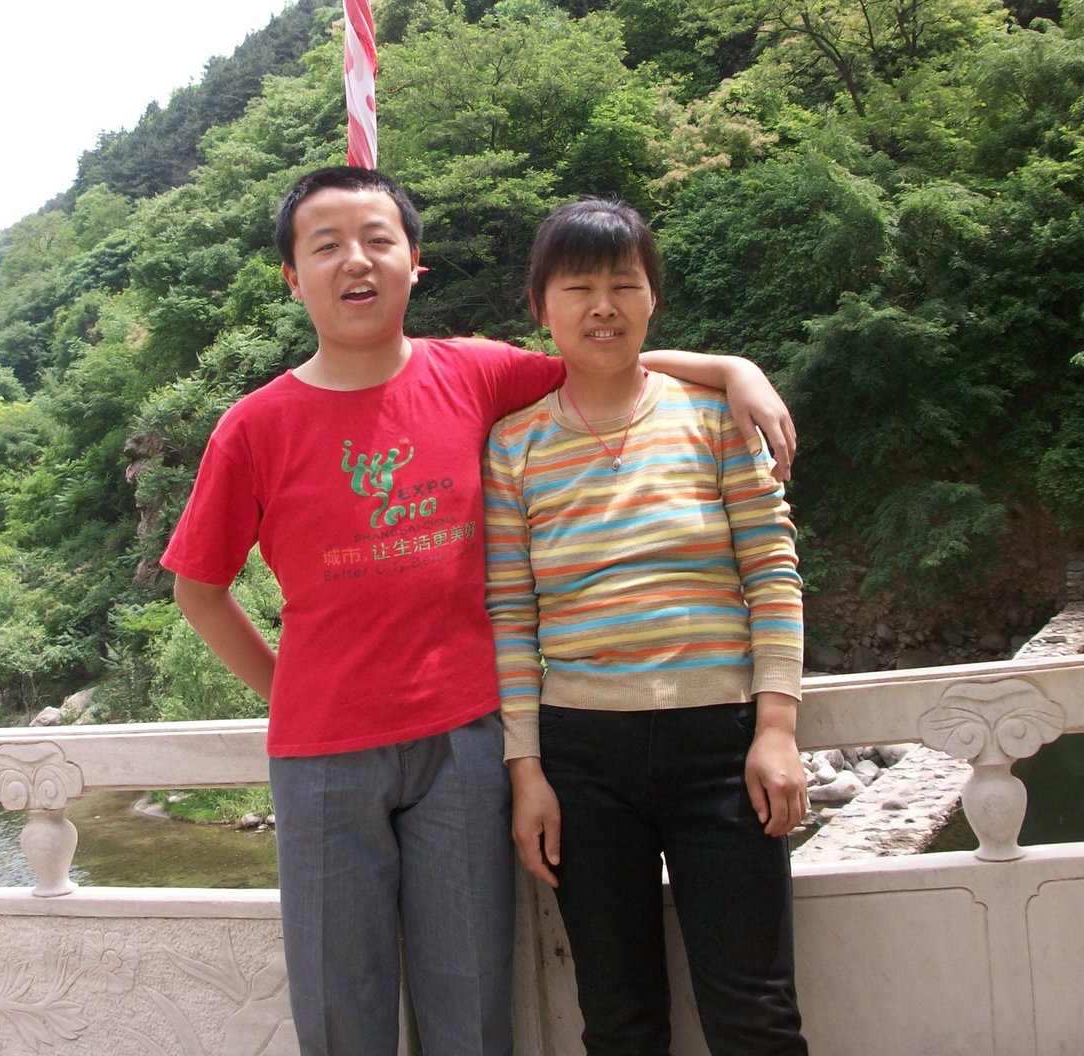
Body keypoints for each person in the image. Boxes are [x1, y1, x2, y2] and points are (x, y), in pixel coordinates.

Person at [161, 166, 796, 1056]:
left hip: (467, 742)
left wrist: (732, 370)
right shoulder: (254, 426)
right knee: (342, 1009)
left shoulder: (472, 372)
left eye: (378, 240)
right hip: (324, 753)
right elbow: (199, 587)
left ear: (414, 261)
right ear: (292, 276)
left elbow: (600, 353)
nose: (356, 261)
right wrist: (286, 690)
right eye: (327, 245)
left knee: (473, 1007)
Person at [485, 198, 808, 1056]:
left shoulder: (716, 418)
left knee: (756, 1015)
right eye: (578, 288)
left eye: (624, 285)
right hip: (582, 760)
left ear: (653, 299)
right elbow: (512, 618)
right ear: (541, 307)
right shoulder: (512, 446)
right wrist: (526, 771)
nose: (604, 306)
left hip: (720, 746)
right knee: (619, 1021)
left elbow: (772, 575)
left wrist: (776, 728)